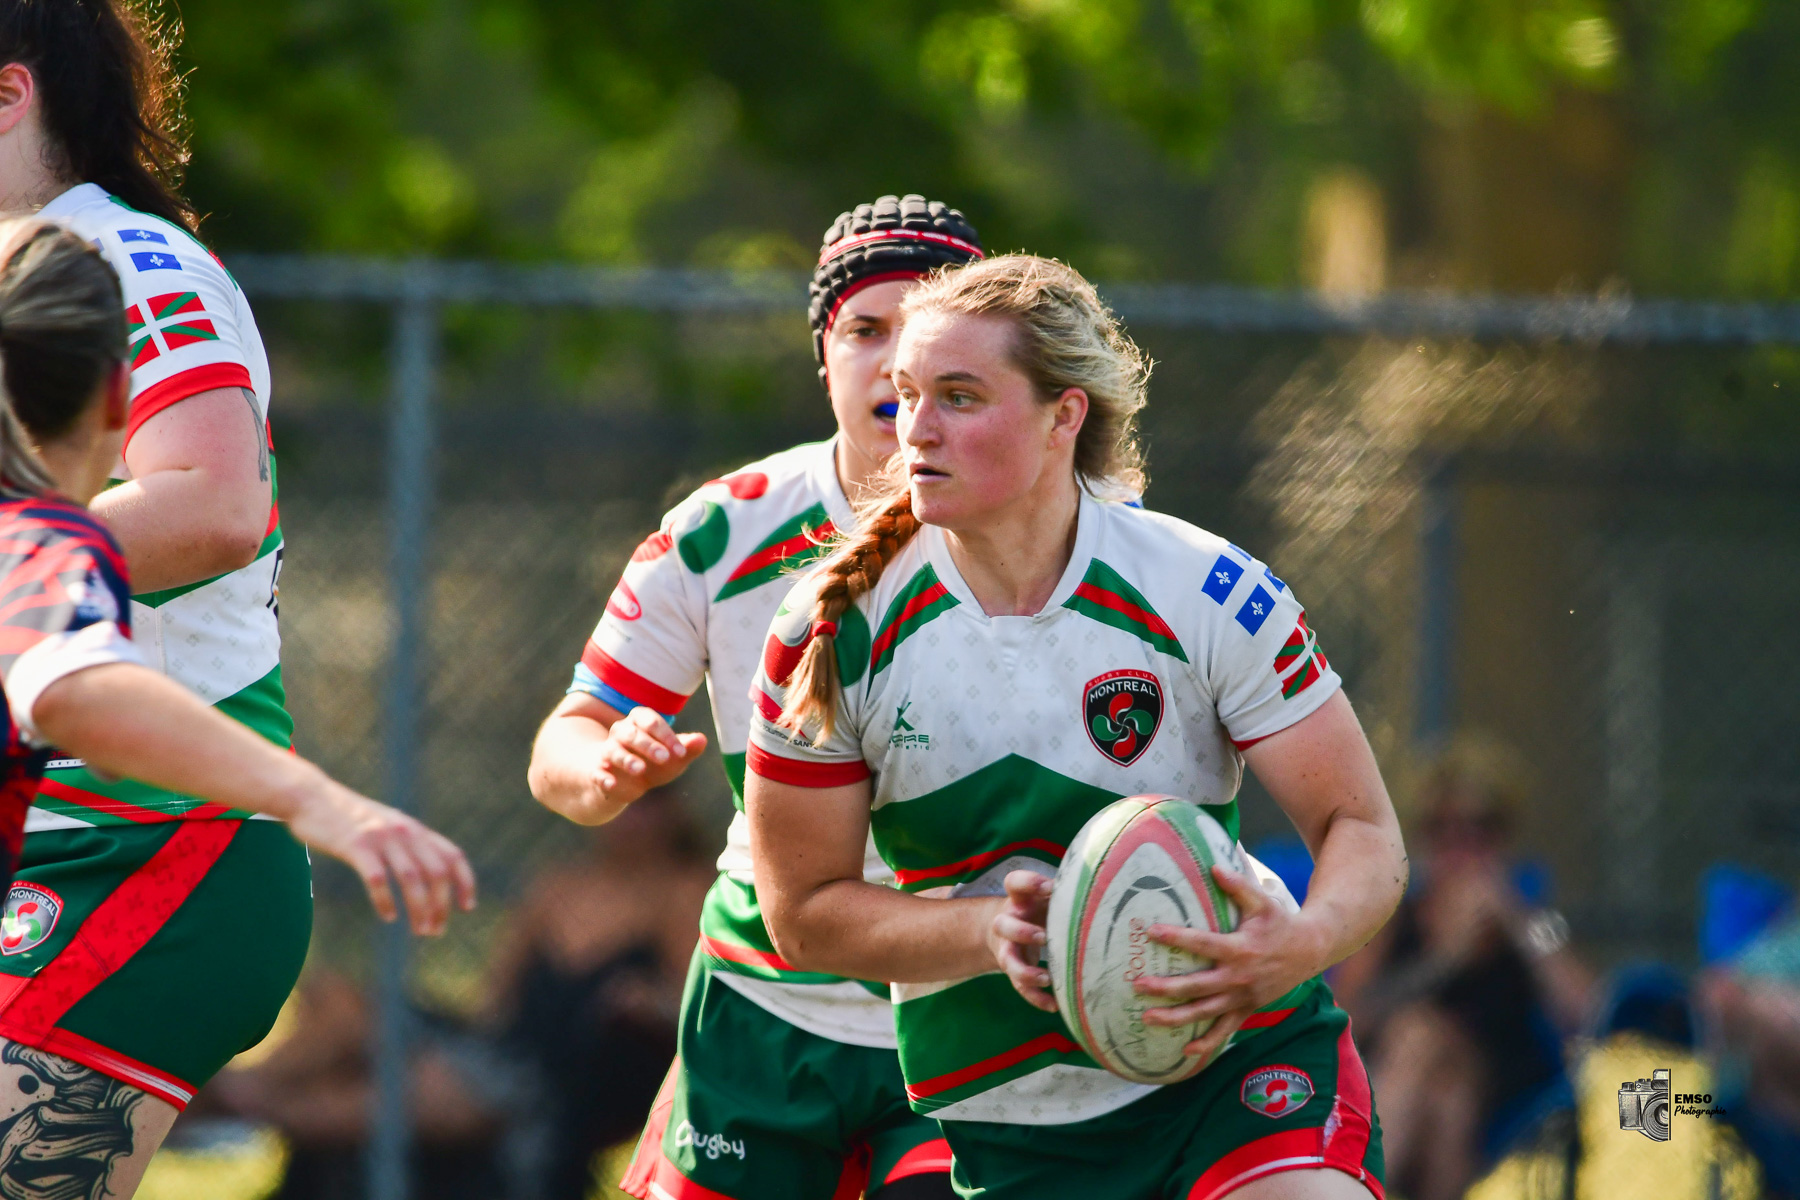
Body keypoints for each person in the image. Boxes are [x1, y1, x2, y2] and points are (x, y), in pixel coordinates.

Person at [745, 254, 1406, 1200]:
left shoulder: (1205, 590)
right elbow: (802, 913)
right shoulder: (831, 630)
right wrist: (992, 937)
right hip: (1008, 1115)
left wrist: (1300, 944)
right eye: (905, 394)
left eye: (961, 397)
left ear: (1065, 416)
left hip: (1230, 1075)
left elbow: (1364, 832)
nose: (915, 428)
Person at [0, 217, 474, 1200]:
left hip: (160, 880)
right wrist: (324, 802)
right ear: (122, 399)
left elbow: (84, 695)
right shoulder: (35, 542)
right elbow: (89, 698)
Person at [528, 194, 983, 1200]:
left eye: (926, 332)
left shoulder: (1059, 534)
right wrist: (602, 772)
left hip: (969, 1017)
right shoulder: (722, 533)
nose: (891, 360)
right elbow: (564, 742)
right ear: (823, 353)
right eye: (865, 330)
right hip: (761, 1011)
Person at [1329, 738, 1593, 1200]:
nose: (1460, 849)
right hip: (1411, 1080)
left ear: (1503, 838)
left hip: (1501, 1086)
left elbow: (1590, 1009)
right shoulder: (1394, 917)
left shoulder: (1533, 921)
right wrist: (1444, 960)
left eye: (1478, 831)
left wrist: (1515, 919)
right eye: (1443, 830)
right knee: (1440, 1084)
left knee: (1427, 1045)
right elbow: (1345, 1016)